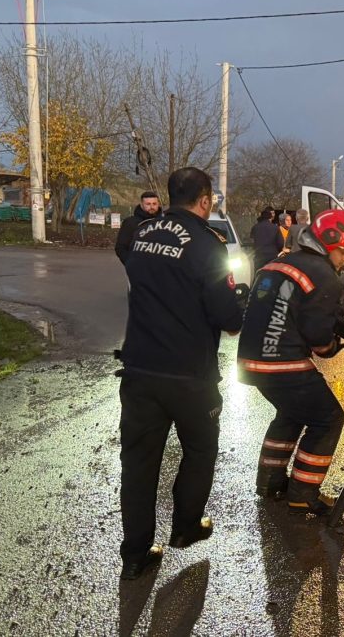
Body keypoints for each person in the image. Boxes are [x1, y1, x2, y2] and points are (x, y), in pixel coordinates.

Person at [116, 167, 244, 580]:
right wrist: (237, 298)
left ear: (168, 197)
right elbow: (228, 319)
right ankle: (186, 527)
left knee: (138, 463)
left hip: (139, 369)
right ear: (205, 201)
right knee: (200, 450)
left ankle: (136, 553)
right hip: (190, 375)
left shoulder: (141, 235)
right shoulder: (209, 246)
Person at [237, 209, 344, 514]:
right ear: (330, 245)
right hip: (283, 364)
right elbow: (320, 341)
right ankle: (303, 492)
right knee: (328, 419)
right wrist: (342, 343)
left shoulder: (278, 263)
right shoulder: (323, 276)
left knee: (291, 413)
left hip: (251, 361)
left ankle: (270, 482)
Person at [114, 191, 162, 264]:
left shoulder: (165, 222)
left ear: (158, 204)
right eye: (148, 204)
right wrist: (131, 264)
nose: (152, 207)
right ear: (141, 205)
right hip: (139, 268)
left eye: (154, 204)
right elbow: (121, 248)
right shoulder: (130, 223)